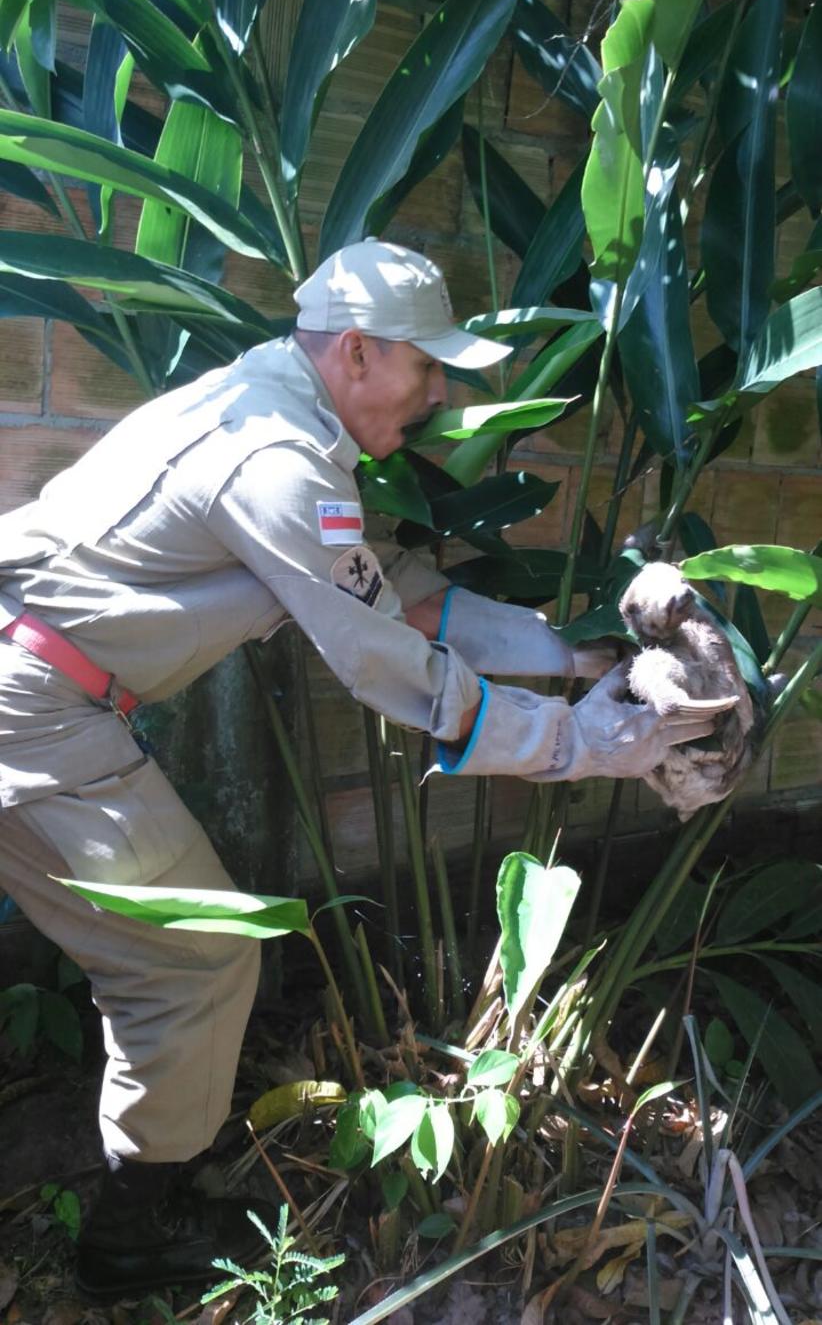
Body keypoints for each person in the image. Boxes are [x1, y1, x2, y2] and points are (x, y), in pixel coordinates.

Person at [0, 239, 727, 1296]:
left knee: (192, 953)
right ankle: (127, 1240)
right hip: (31, 716)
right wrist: (585, 743)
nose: (438, 396)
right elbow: (393, 664)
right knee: (196, 959)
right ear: (355, 350)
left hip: (49, 703)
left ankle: (143, 1189)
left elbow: (395, 591)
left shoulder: (279, 419)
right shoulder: (277, 462)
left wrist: (574, 654)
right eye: (424, 366)